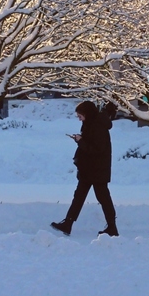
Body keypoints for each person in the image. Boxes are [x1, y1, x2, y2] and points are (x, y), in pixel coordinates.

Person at [51, 100, 119, 237]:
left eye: (80, 115)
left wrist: (80, 141)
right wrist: (81, 139)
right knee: (80, 196)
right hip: (90, 169)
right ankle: (68, 223)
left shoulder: (97, 126)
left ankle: (112, 227)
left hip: (96, 169)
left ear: (87, 113)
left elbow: (96, 149)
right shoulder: (91, 124)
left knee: (102, 197)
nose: (79, 118)